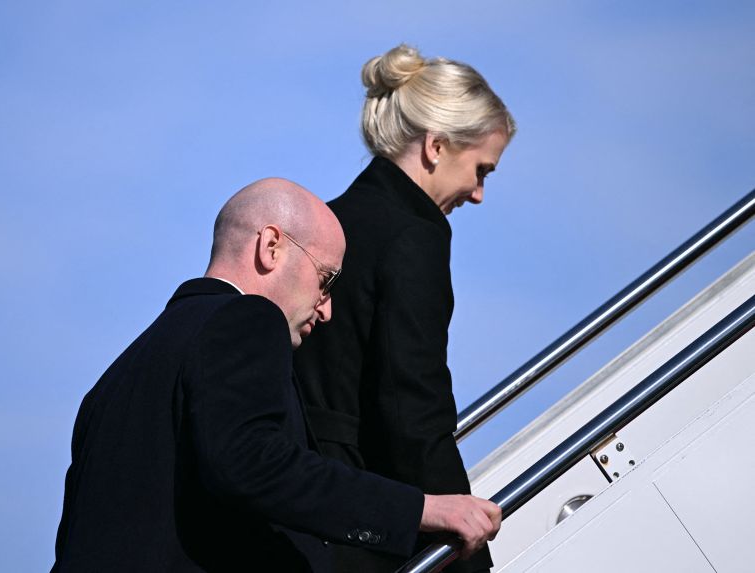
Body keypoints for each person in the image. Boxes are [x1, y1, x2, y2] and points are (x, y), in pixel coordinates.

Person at [51, 178, 501, 572]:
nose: (326, 309)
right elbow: (255, 464)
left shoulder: (117, 379)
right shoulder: (247, 318)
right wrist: (421, 509)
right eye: (326, 280)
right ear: (271, 247)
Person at [293, 45, 516, 572]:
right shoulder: (413, 235)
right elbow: (411, 404)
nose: (479, 193)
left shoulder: (334, 219)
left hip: (303, 497)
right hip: (360, 517)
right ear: (436, 146)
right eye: (481, 169)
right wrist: (464, 553)